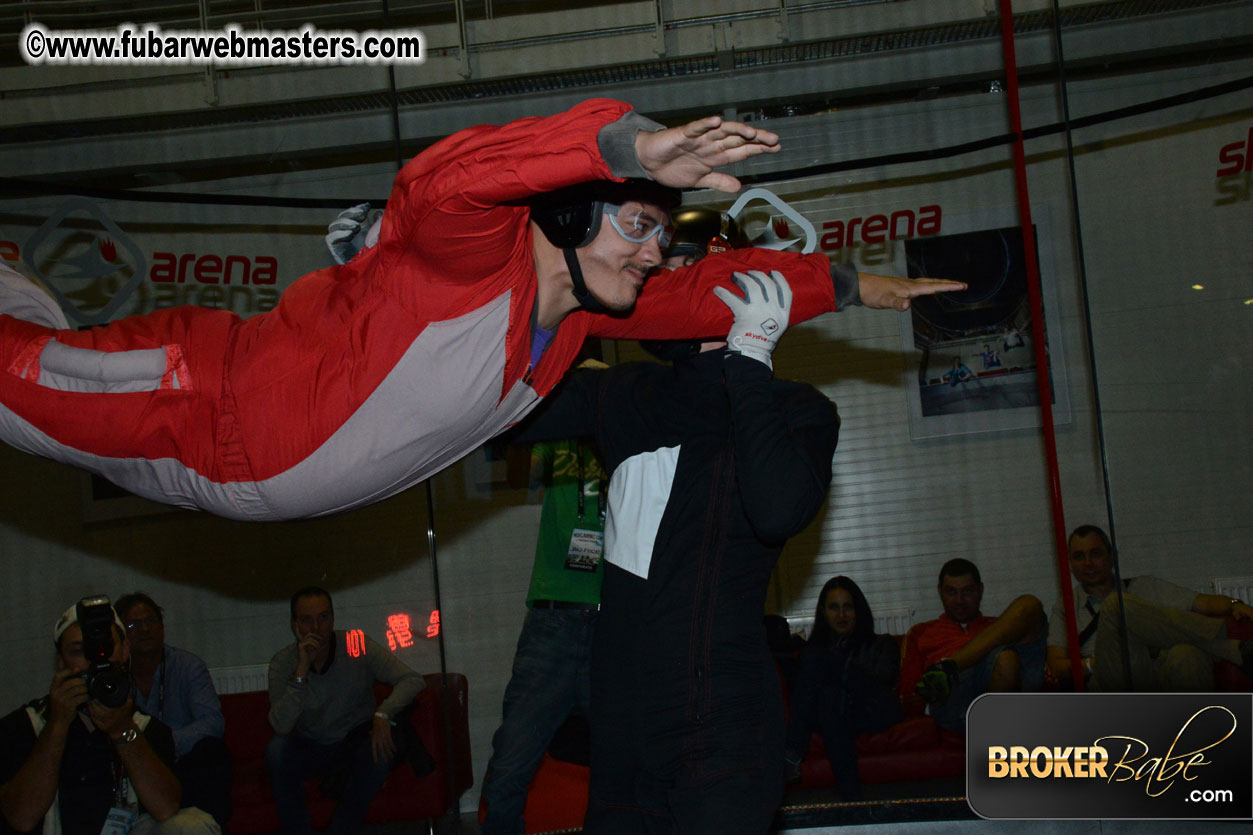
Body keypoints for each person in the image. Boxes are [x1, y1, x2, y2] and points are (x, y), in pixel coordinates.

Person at [0, 98, 963, 521]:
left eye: (658, 234)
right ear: (572, 212)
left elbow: (702, 294)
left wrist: (851, 286)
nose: (650, 248)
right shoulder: (470, 260)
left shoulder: (579, 316)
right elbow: (444, 181)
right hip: (195, 406)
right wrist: (618, 145)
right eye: (634, 223)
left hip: (236, 484)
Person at [515, 267, 839, 833]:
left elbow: (778, 511)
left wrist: (749, 359)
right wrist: (413, 279)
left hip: (721, 731)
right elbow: (492, 407)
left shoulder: (797, 408)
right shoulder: (624, 393)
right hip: (622, 739)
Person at [479, 405, 607, 834]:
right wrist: (519, 422)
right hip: (553, 620)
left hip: (613, 622)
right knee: (514, 752)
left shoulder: (632, 442)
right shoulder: (561, 441)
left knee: (628, 755)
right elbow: (516, 477)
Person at [0, 598, 219, 834]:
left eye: (104, 649)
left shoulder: (143, 727)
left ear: (124, 651)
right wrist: (57, 725)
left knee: (193, 825)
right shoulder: (24, 726)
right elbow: (21, 818)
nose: (93, 662)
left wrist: (122, 729)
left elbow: (165, 807)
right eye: (78, 651)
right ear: (61, 662)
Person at [265, 587, 425, 835]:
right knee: (277, 750)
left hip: (355, 743)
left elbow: (412, 679)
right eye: (307, 620)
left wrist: (384, 713)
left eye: (324, 618)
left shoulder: (356, 645)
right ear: (295, 625)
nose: (316, 628)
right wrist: (302, 671)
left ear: (333, 619)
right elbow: (281, 725)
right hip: (312, 744)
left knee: (381, 751)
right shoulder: (283, 662)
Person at [1045, 524, 1253, 690]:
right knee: (1115, 604)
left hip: (1154, 669)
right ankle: (1233, 649)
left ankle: (1199, 734)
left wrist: (1235, 604)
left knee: (1186, 654)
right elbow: (1056, 665)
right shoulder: (1067, 605)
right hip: (1107, 675)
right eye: (1079, 557)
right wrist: (1092, 663)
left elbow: (1202, 602)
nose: (1088, 563)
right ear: (1071, 564)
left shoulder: (1144, 586)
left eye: (1095, 554)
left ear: (1111, 557)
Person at [113, 593, 232, 829]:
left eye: (152, 621)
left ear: (162, 627)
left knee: (213, 752)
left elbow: (212, 722)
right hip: (137, 769)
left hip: (183, 762)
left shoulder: (188, 666)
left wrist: (164, 744)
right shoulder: (113, 678)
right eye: (134, 625)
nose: (145, 629)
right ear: (120, 634)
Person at [783, 576, 903, 800]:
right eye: (834, 608)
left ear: (858, 610)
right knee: (829, 697)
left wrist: (838, 665)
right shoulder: (813, 654)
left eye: (848, 607)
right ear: (824, 612)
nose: (841, 615)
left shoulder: (882, 644)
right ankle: (853, 799)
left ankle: (792, 754)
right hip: (833, 714)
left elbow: (881, 682)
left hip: (872, 709)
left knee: (822, 663)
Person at [898, 558, 1046, 733]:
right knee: (1005, 658)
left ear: (980, 590)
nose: (959, 600)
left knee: (1029, 605)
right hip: (955, 700)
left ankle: (948, 667)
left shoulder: (1001, 626)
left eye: (967, 591)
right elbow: (907, 697)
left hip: (1009, 686)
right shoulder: (921, 632)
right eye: (951, 592)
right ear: (940, 592)